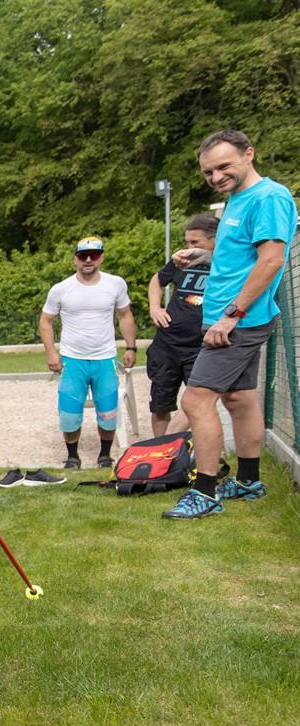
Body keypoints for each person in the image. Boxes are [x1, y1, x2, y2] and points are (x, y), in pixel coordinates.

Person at [163, 129, 297, 520]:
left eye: (223, 166)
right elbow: (243, 256)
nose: (216, 177)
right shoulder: (238, 198)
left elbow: (271, 261)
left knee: (195, 400)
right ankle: (248, 481)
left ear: (248, 154)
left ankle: (204, 493)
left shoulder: (269, 197)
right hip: (231, 317)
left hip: (239, 319)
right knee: (239, 398)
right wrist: (203, 257)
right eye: (208, 172)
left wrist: (231, 316)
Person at [39, 236, 139, 469]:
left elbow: (124, 315)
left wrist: (131, 346)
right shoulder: (61, 289)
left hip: (105, 358)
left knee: (108, 411)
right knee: (69, 413)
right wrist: (51, 353)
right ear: (75, 259)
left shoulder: (115, 284)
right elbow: (45, 321)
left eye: (93, 255)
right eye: (83, 256)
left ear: (101, 258)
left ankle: (105, 455)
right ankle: (72, 457)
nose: (88, 260)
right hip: (73, 360)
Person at [147, 215, 219, 437]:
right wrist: (155, 308)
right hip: (167, 344)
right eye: (187, 242)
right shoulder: (183, 260)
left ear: (215, 239)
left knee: (199, 403)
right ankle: (161, 452)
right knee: (160, 405)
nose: (189, 248)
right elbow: (157, 281)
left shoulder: (227, 265)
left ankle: (188, 449)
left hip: (200, 347)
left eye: (195, 242)